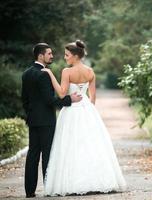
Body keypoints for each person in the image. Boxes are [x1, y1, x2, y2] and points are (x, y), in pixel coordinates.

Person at [42, 40, 126, 196]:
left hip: (72, 110)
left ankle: (73, 181)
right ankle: (97, 179)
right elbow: (93, 96)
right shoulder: (90, 71)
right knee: (91, 144)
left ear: (74, 56)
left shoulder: (67, 72)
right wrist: (89, 111)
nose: (65, 57)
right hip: (87, 109)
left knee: (71, 145)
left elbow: (61, 93)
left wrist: (50, 74)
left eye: (67, 55)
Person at [21, 43, 82, 198]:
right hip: (46, 121)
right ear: (41, 55)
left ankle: (29, 191)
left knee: (33, 154)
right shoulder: (44, 74)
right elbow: (50, 100)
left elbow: (24, 100)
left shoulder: (26, 73)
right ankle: (49, 188)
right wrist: (70, 99)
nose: (52, 56)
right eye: (49, 53)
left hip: (33, 120)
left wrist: (30, 114)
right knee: (48, 154)